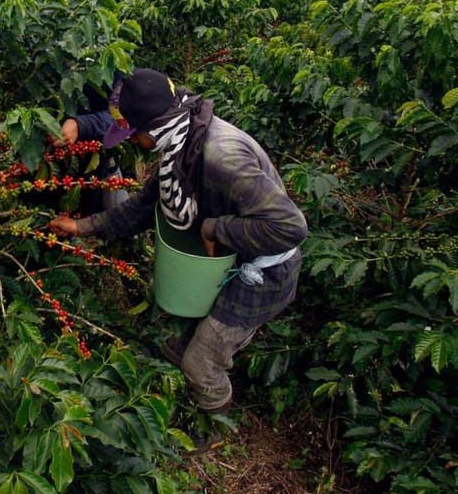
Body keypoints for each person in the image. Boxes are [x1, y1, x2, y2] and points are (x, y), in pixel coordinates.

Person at [48, 68, 307, 417]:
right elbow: (142, 208)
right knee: (176, 346)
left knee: (200, 364)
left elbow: (290, 227)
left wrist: (214, 228)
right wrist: (80, 227)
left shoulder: (219, 159)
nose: (130, 142)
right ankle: (184, 401)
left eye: (133, 134)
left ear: (153, 126)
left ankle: (217, 425)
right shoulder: (182, 145)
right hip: (228, 261)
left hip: (265, 274)